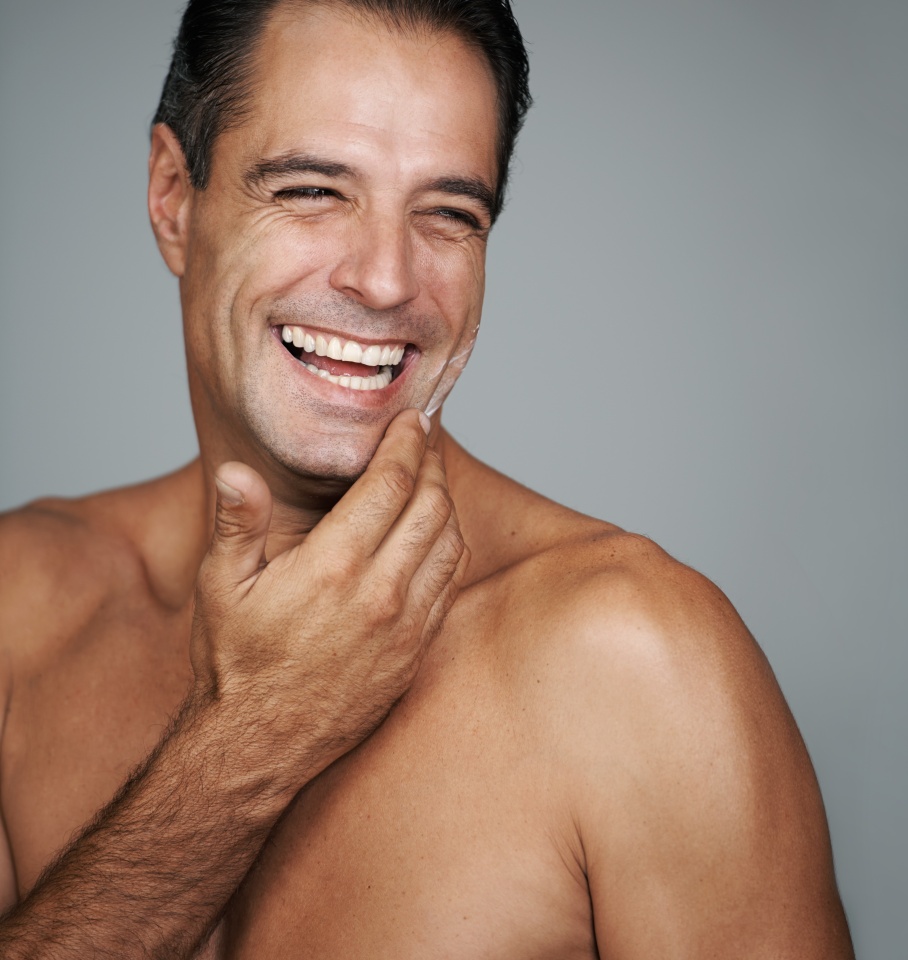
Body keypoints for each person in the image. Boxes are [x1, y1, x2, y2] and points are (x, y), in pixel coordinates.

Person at [0, 0, 854, 956]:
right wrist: (246, 740)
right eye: (313, 190)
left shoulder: (639, 667)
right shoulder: (21, 610)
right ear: (173, 197)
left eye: (448, 213)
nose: (385, 280)